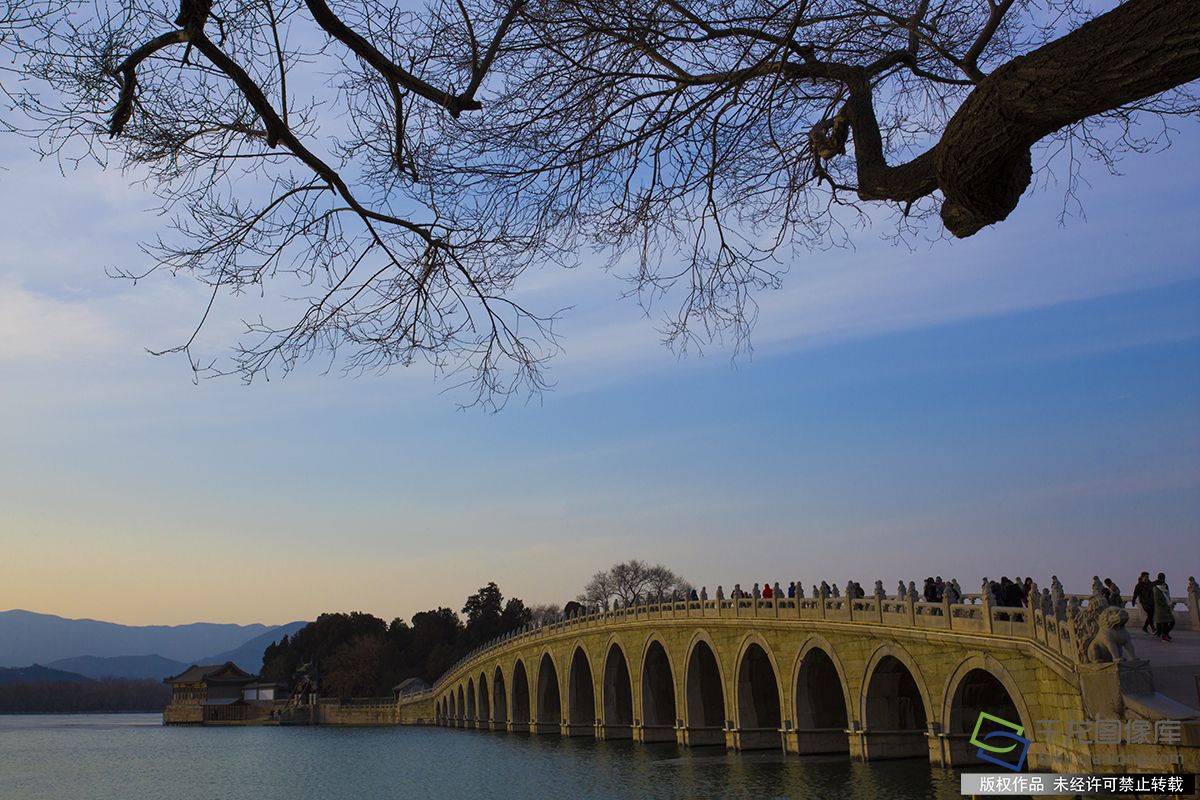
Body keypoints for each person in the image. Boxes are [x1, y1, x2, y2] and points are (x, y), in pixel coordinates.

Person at [1152, 573, 1175, 642]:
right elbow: (1158, 600)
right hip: (1161, 609)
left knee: (1167, 623)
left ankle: (1165, 635)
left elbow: (1167, 596)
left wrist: (1169, 603)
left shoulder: (1165, 586)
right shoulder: (1155, 588)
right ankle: (1164, 635)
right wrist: (1167, 605)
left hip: (1166, 608)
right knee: (1170, 622)